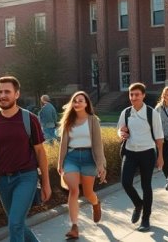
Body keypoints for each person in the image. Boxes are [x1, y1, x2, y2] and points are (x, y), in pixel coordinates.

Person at [0, 76, 52, 242]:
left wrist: (46, 182)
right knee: (17, 224)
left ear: (16, 94)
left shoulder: (29, 119)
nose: (2, 95)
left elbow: (40, 152)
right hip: (3, 181)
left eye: (7, 92)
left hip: (26, 177)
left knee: (15, 223)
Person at [57, 91, 106, 240]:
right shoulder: (68, 121)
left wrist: (101, 165)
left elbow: (98, 144)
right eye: (75, 101)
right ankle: (74, 226)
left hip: (88, 158)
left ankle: (96, 203)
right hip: (71, 158)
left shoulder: (93, 120)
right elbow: (63, 145)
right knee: (73, 190)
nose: (77, 103)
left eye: (80, 101)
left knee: (88, 192)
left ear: (86, 104)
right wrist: (60, 162)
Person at [117, 82, 164, 232]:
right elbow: (120, 130)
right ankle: (138, 204)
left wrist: (160, 156)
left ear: (143, 95)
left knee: (146, 186)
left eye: (137, 94)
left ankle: (145, 219)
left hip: (147, 153)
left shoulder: (152, 113)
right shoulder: (125, 112)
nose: (134, 97)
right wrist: (121, 133)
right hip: (130, 152)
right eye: (131, 94)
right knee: (125, 182)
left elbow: (159, 137)